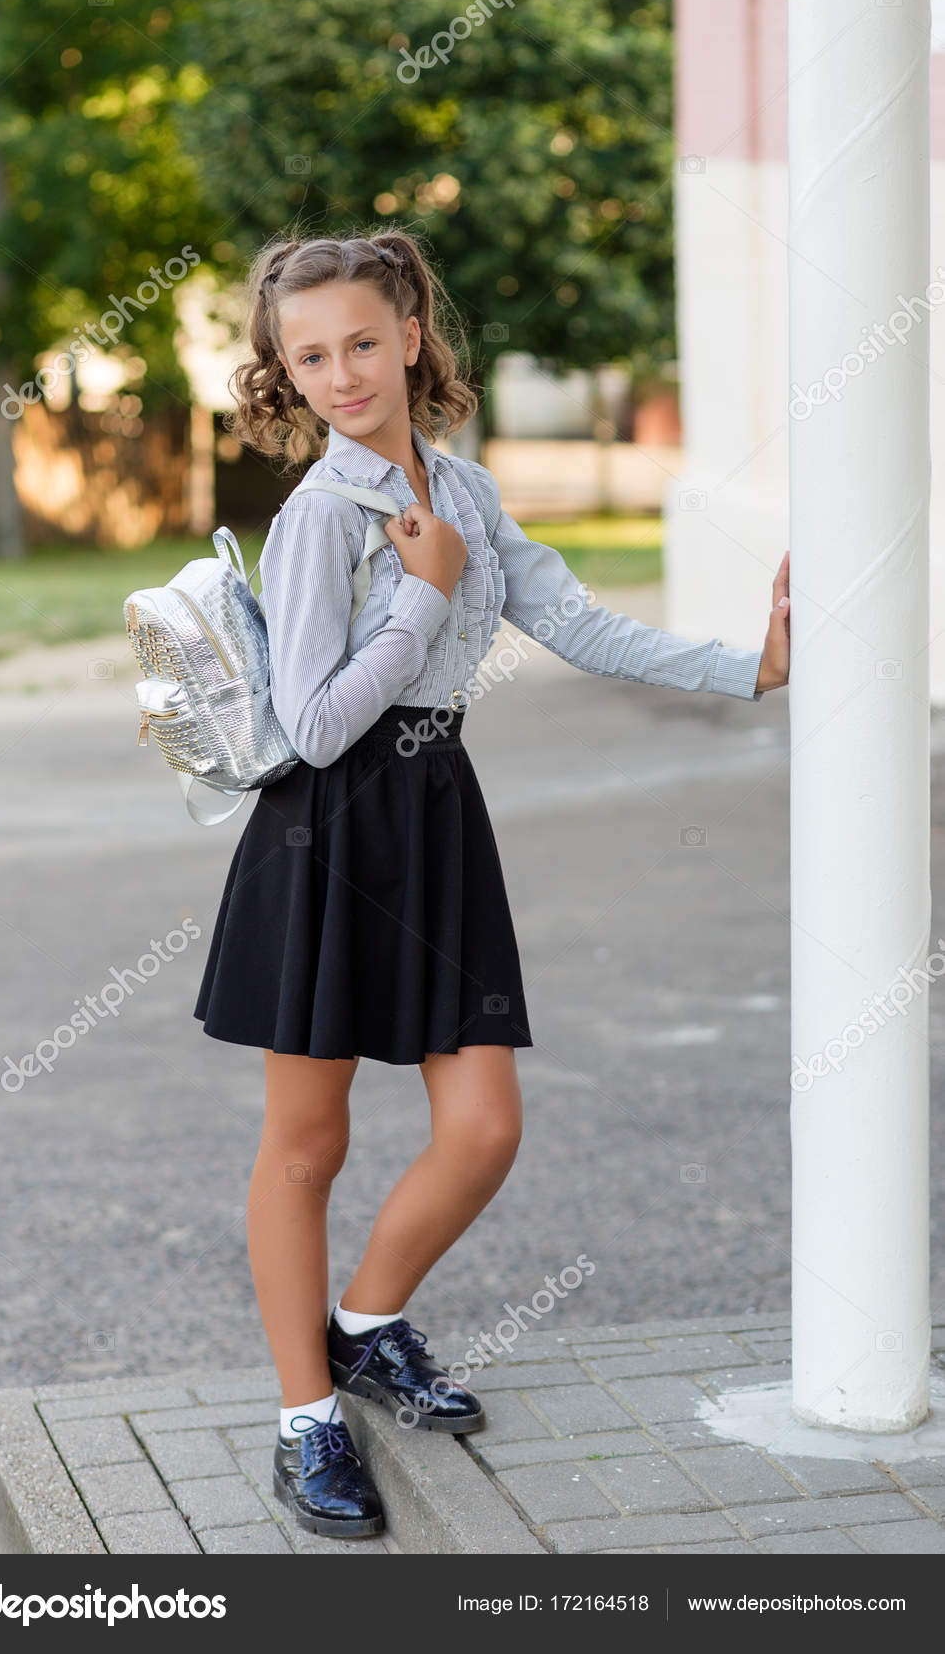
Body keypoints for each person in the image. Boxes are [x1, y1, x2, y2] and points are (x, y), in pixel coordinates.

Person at [193, 227, 791, 1539]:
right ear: (286, 379)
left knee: (483, 1128)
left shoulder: (462, 492)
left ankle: (365, 1324)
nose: (342, 374)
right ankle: (307, 1421)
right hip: (326, 831)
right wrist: (418, 602)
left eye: (361, 342)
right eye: (310, 358)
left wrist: (746, 666)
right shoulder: (312, 523)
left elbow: (572, 619)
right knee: (309, 1143)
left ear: (411, 336)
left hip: (436, 814)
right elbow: (311, 724)